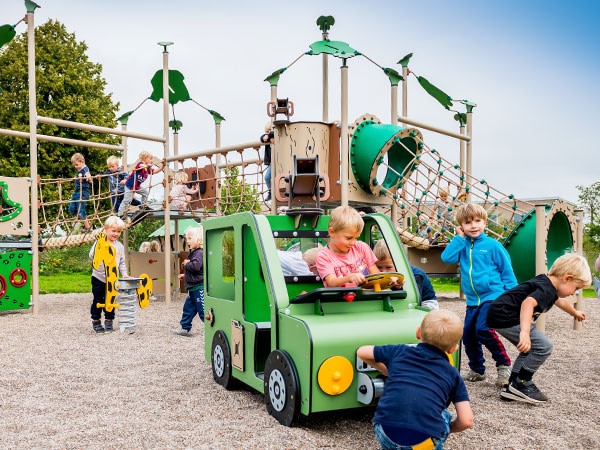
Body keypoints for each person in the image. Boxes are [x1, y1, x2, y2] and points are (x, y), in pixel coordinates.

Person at [357, 310, 473, 449]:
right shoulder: (452, 374)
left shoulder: (399, 351)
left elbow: (362, 352)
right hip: (425, 440)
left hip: (385, 431)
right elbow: (466, 420)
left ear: (418, 333)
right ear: (453, 348)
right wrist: (448, 429)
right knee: (443, 414)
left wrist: (385, 370)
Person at [486, 253, 591, 404]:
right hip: (505, 316)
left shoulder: (548, 284)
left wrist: (574, 312)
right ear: (567, 278)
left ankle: (513, 385)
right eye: (576, 288)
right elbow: (528, 303)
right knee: (544, 346)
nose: (574, 293)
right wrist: (524, 332)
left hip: (498, 313)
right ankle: (522, 382)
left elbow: (559, 301)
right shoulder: (547, 289)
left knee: (530, 349)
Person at [441, 203, 517, 386]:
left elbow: (507, 272)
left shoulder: (493, 246)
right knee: (468, 335)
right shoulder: (462, 246)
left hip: (493, 295)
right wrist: (459, 238)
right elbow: (446, 258)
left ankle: (503, 364)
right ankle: (477, 370)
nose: (473, 226)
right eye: (468, 223)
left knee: (483, 329)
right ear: (461, 226)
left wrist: (513, 297)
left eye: (477, 221)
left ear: (484, 222)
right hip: (473, 299)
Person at [315, 206, 379, 287]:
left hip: (366, 293)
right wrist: (349, 278)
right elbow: (331, 282)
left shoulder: (362, 247)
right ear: (332, 232)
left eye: (356, 238)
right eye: (349, 238)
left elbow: (375, 275)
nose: (353, 243)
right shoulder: (324, 256)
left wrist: (390, 280)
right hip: (341, 295)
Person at [89, 216, 129, 333]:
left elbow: (122, 263)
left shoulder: (119, 246)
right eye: (113, 231)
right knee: (98, 299)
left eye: (118, 231)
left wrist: (124, 274)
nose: (116, 234)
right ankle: (96, 320)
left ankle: (109, 320)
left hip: (113, 278)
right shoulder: (100, 242)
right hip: (98, 277)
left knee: (111, 299)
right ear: (106, 229)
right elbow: (92, 255)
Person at [373, 239, 439, 310]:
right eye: (379, 267)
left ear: (399, 263)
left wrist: (397, 286)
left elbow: (413, 299)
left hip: (425, 302)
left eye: (388, 267)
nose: (383, 272)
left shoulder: (415, 275)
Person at [172, 227, 204, 336]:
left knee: (203, 310)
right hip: (192, 289)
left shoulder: (199, 253)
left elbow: (196, 267)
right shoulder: (194, 253)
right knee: (188, 309)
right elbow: (196, 272)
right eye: (187, 239)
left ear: (199, 239)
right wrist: (185, 275)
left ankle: (212, 328)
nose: (188, 241)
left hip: (199, 288)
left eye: (190, 238)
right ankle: (185, 328)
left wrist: (187, 263)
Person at [117, 151, 164, 217]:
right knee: (126, 200)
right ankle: (120, 214)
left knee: (145, 192)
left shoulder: (147, 169)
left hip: (136, 186)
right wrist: (147, 165)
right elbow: (141, 166)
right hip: (130, 185)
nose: (150, 160)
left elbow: (155, 171)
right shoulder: (140, 164)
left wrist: (162, 166)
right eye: (149, 159)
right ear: (145, 158)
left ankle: (143, 206)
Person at [69, 153, 92, 233]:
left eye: (77, 165)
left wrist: (89, 177)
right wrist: (75, 178)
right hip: (77, 192)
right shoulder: (79, 171)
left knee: (81, 210)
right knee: (72, 209)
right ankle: (85, 222)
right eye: (74, 165)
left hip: (83, 192)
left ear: (82, 162)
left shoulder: (85, 169)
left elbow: (87, 174)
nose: (75, 167)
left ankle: (87, 227)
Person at [260, 123, 274, 201]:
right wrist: (265, 137)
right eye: (267, 131)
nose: (268, 133)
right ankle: (271, 191)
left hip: (280, 162)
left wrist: (270, 135)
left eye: (270, 131)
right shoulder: (268, 139)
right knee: (267, 177)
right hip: (272, 163)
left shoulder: (278, 137)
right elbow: (262, 138)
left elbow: (274, 134)